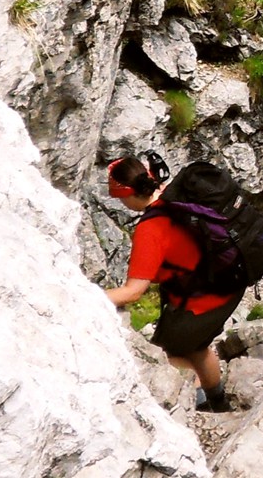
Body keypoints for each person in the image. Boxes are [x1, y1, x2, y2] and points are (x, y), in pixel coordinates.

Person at [103, 156, 242, 413]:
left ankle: (197, 403)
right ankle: (219, 406)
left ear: (129, 194)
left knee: (162, 356)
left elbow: (133, 292)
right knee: (198, 348)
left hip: (201, 299)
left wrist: (85, 297)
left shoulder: (151, 229)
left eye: (121, 198)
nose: (122, 204)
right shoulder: (175, 193)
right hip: (227, 280)